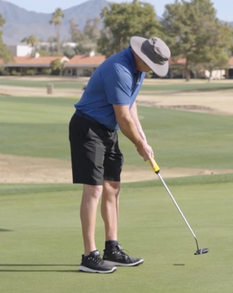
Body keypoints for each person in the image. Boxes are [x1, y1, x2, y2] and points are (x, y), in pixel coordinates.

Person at [68, 36, 171, 274]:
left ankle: (111, 248)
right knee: (94, 189)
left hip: (107, 129)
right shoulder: (119, 69)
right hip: (88, 127)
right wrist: (138, 144)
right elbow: (123, 117)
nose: (153, 71)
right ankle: (89, 256)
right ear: (142, 57)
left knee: (113, 187)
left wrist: (142, 135)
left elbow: (130, 103)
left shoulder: (138, 70)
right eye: (152, 65)